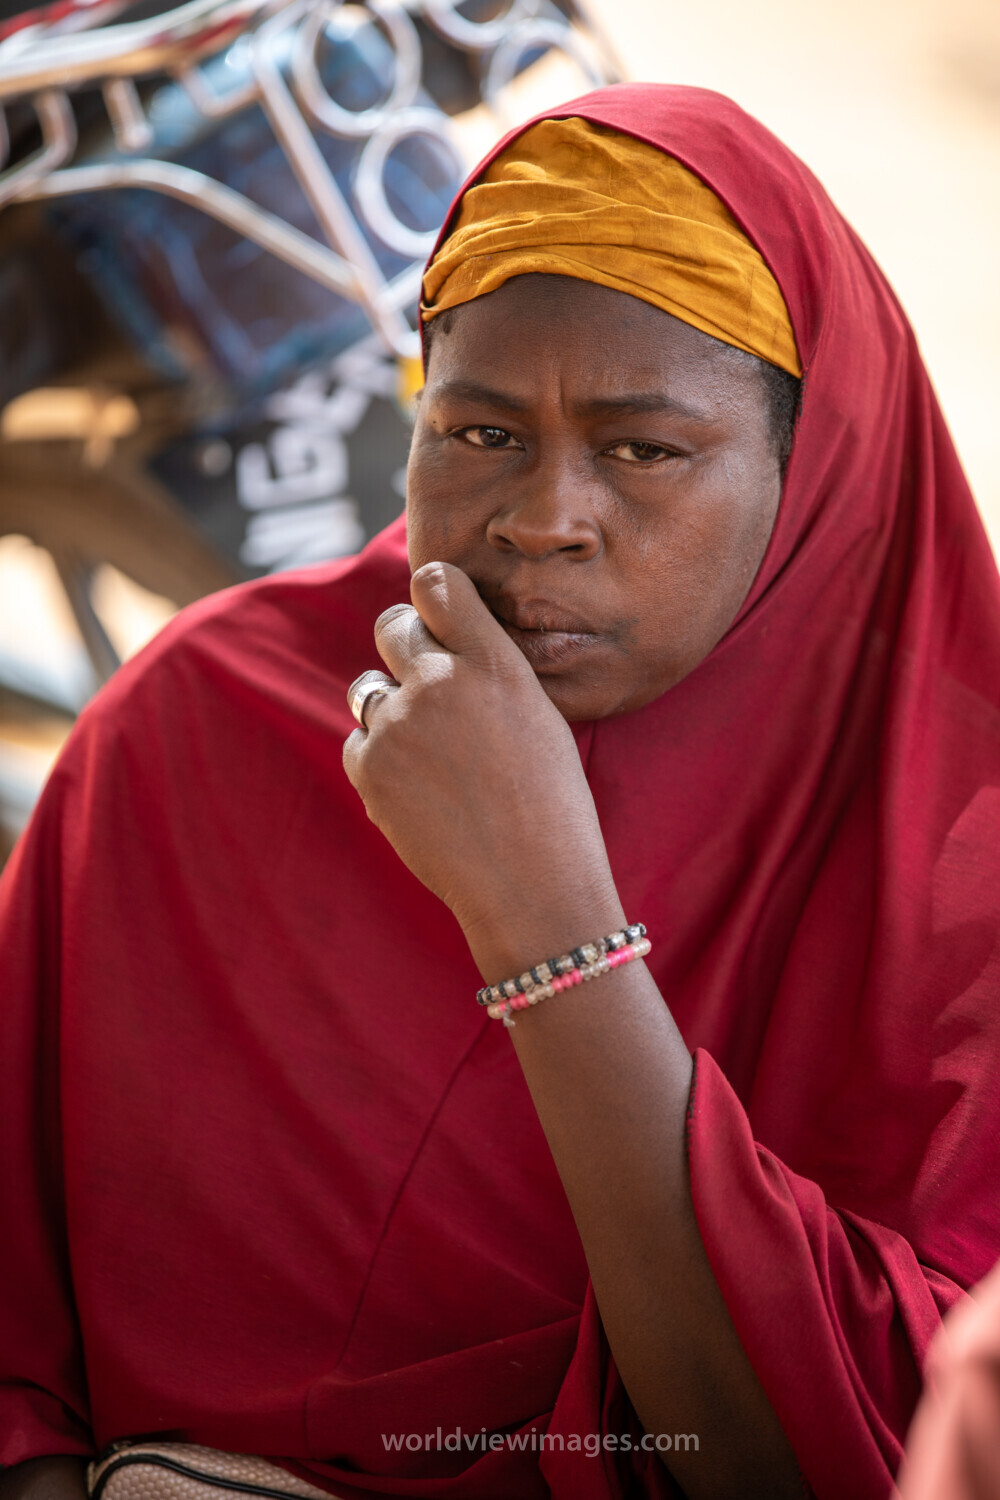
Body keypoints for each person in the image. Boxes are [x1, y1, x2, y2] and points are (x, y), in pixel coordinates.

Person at [1, 82, 999, 1500]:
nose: (541, 518)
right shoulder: (207, 724)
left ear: (810, 465)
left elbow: (853, 1450)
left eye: (644, 449)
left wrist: (547, 925)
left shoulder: (959, 861)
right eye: (479, 435)